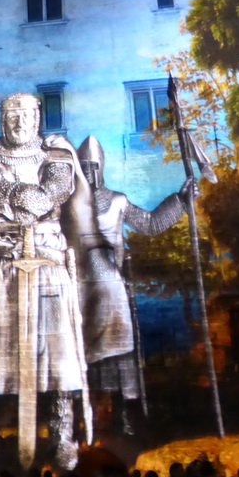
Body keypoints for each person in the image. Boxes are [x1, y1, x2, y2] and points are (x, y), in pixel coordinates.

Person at [0, 92, 95, 468]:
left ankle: (63, 435)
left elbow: (60, 184)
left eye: (26, 115)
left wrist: (45, 194)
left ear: (38, 118)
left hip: (46, 264)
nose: (19, 122)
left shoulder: (56, 155)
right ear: (3, 119)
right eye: (12, 115)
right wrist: (15, 192)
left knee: (56, 352)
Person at [77, 135, 193, 434]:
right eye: (84, 167)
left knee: (122, 350)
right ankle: (84, 421)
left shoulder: (117, 201)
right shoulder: (69, 207)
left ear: (100, 167)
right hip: (79, 290)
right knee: (80, 355)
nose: (89, 173)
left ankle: (125, 415)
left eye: (93, 167)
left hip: (113, 288)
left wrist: (180, 201)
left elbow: (151, 223)